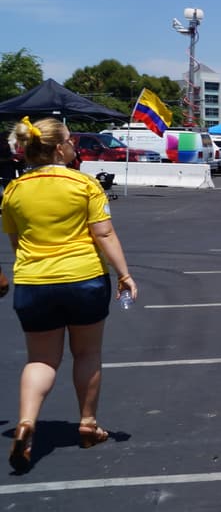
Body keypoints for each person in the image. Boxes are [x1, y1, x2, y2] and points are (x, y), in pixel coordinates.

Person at [1, 117, 139, 473]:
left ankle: (26, 423)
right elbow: (104, 234)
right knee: (87, 353)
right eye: (71, 142)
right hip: (84, 280)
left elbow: (16, 243)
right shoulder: (83, 183)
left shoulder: (14, 190)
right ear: (60, 148)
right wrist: (124, 274)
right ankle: (88, 424)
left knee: (41, 361)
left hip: (33, 282)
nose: (75, 147)